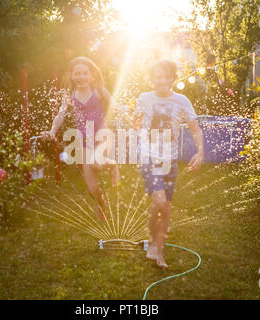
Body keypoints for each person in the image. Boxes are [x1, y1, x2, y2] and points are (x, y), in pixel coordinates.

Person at [131, 60, 204, 269]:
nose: (162, 80)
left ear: (173, 78)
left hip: (169, 159)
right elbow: (137, 123)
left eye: (166, 76)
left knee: (163, 206)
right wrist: (135, 122)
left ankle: (156, 247)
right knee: (161, 202)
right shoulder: (144, 98)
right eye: (157, 76)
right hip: (148, 156)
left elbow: (195, 129)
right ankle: (155, 247)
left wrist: (200, 153)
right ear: (151, 79)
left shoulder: (182, 100)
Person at [41, 56, 121, 221]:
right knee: (92, 188)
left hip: (102, 136)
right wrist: (51, 131)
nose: (81, 77)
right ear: (71, 75)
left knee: (95, 163)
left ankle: (112, 165)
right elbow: (61, 114)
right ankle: (101, 204)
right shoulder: (70, 94)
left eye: (85, 73)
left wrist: (128, 115)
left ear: (91, 75)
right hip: (84, 141)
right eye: (77, 73)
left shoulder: (99, 90)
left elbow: (116, 105)